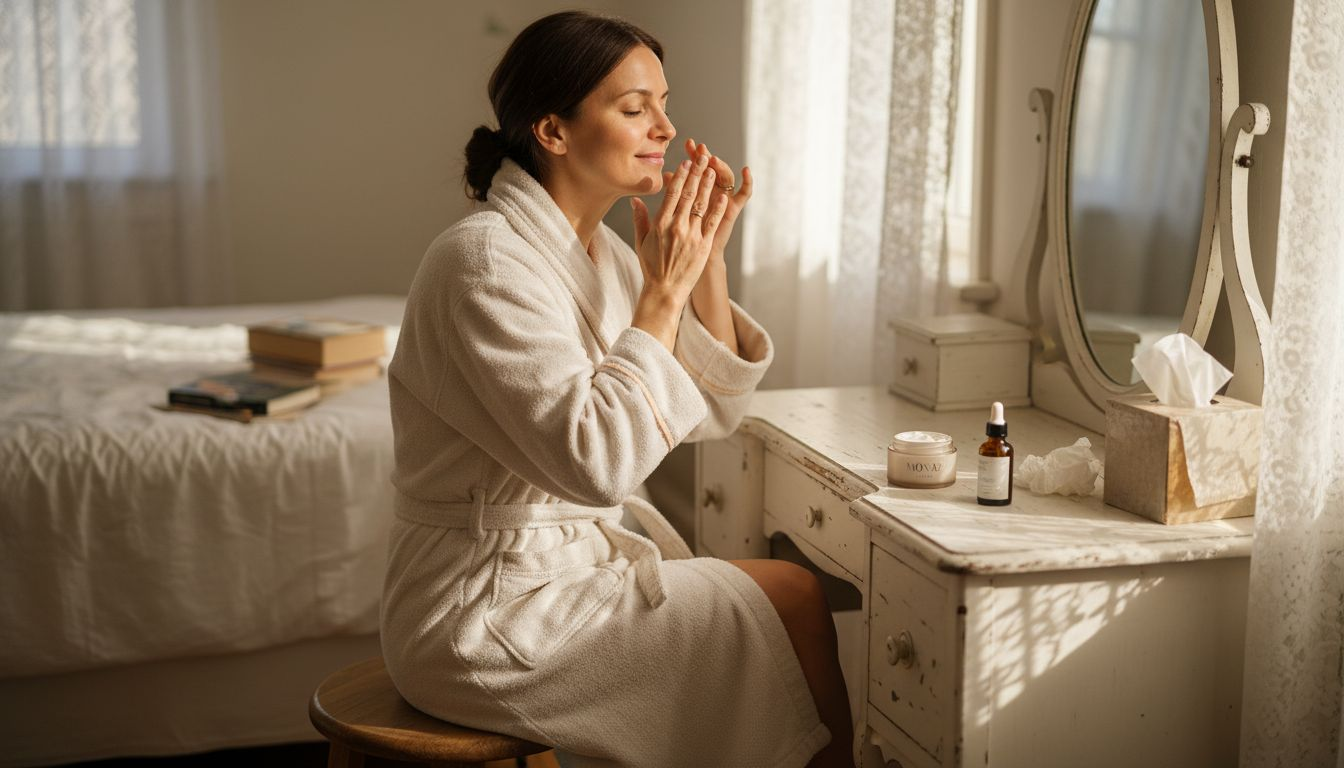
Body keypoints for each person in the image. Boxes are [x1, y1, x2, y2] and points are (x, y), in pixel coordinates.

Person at [380, 11, 853, 767]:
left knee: (789, 603)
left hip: (566, 578)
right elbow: (598, 467)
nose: (664, 126)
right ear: (554, 131)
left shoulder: (601, 254)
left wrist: (707, 265)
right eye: (634, 109)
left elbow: (717, 411)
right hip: (482, 611)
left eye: (664, 104)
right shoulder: (482, 264)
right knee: (791, 599)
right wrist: (663, 292)